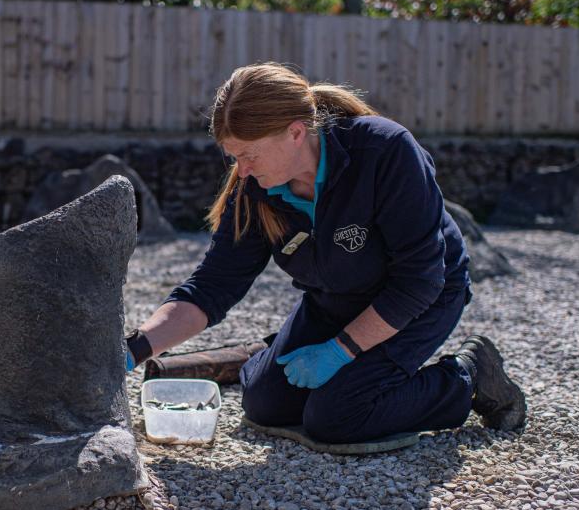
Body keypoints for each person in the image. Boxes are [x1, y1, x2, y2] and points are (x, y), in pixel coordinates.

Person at [124, 63, 526, 444]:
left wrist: (340, 350)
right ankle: (275, 353)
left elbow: (420, 279)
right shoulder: (255, 188)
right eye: (234, 158)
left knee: (337, 417)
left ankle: (469, 377)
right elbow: (212, 285)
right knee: (265, 405)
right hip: (336, 298)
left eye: (249, 155)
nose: (241, 171)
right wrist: (132, 349)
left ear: (295, 133)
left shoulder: (384, 151)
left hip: (421, 297)